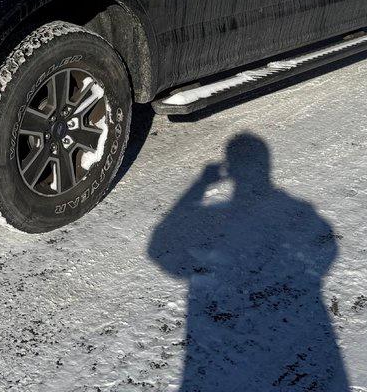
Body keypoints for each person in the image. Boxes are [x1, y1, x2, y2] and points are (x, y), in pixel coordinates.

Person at [148, 133, 349, 391]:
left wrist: (200, 185)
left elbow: (160, 245)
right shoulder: (294, 210)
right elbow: (325, 246)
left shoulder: (217, 218)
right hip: (288, 329)